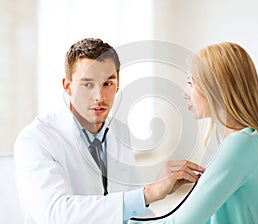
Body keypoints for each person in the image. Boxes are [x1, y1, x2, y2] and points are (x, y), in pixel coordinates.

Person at [14, 38, 204, 224]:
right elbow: (56, 215)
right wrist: (147, 193)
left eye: (107, 84)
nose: (99, 97)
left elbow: (134, 212)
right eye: (87, 84)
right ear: (67, 86)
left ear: (117, 85)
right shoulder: (35, 140)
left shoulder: (119, 132)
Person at [129, 42, 258, 224]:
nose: (186, 93)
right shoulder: (248, 140)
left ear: (216, 89)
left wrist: (119, 215)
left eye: (191, 83)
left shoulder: (240, 145)